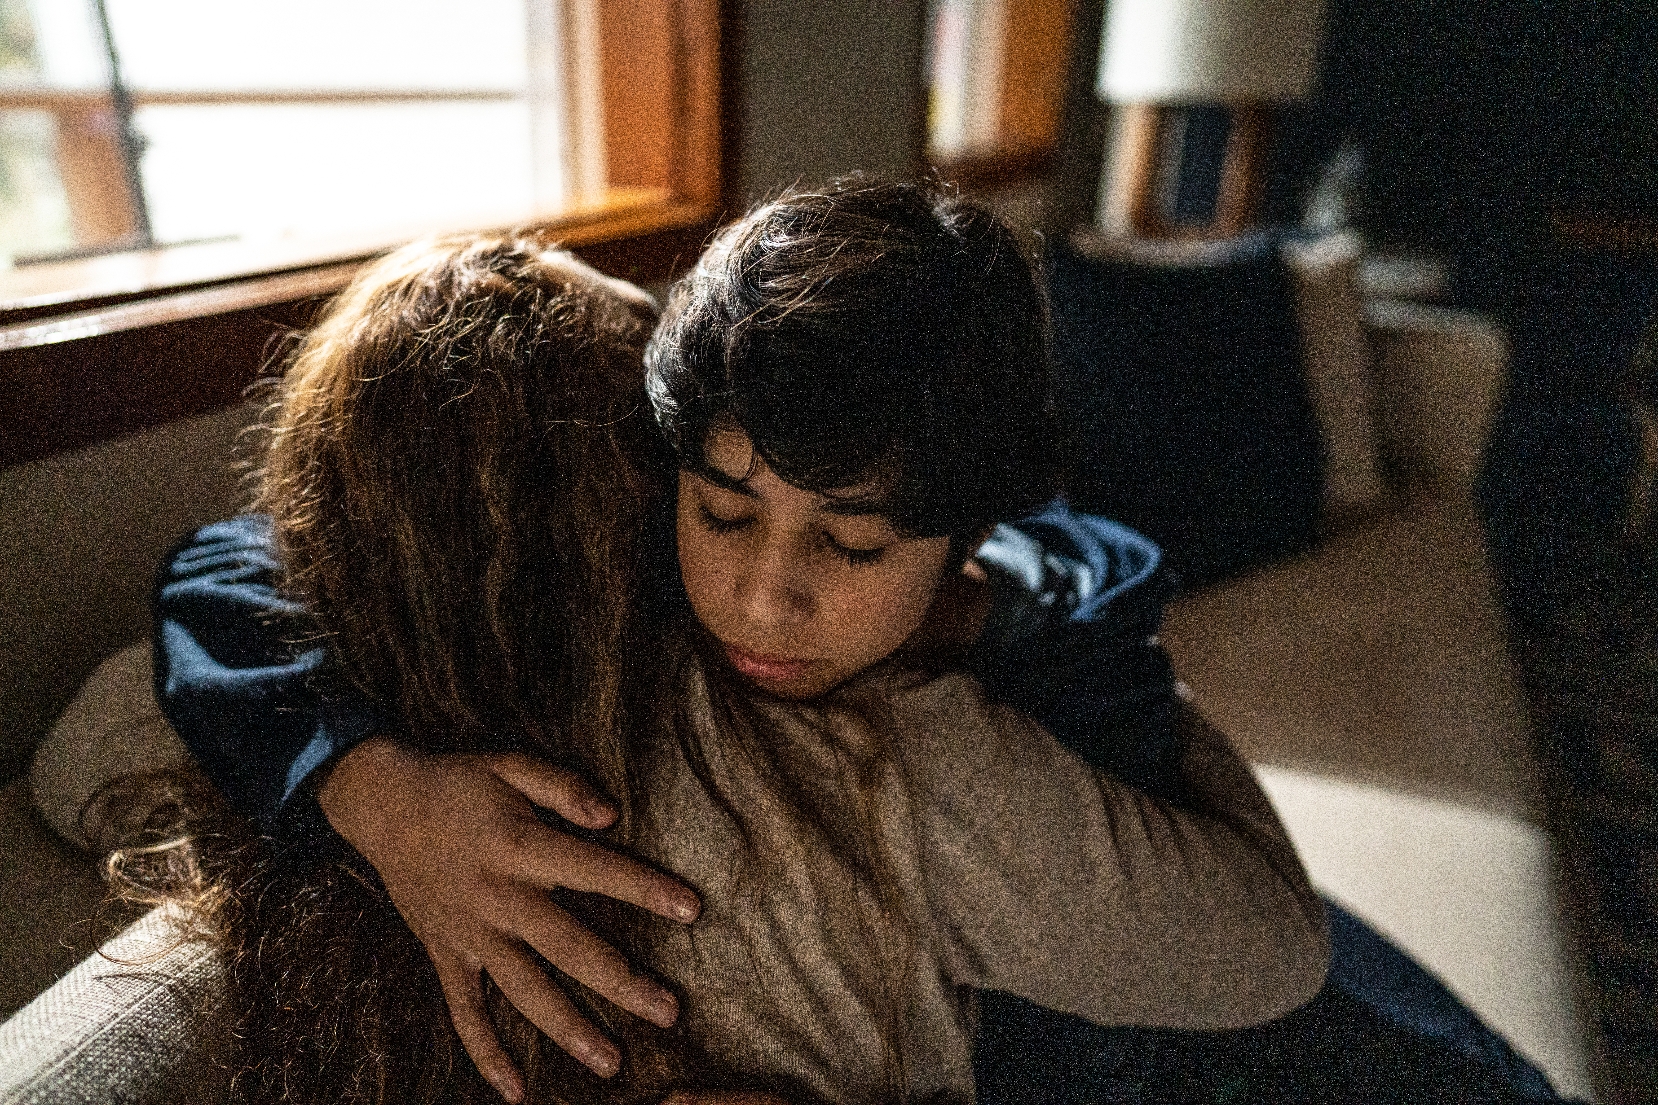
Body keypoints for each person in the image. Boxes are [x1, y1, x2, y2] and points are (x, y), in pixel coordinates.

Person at [156, 179, 1571, 1104]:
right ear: (644, 487)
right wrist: (366, 778)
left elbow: (1277, 948)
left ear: (960, 535)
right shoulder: (804, 721)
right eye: (717, 512)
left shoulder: (1013, 673)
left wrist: (1026, 623)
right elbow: (229, 565)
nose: (768, 597)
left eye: (848, 546)